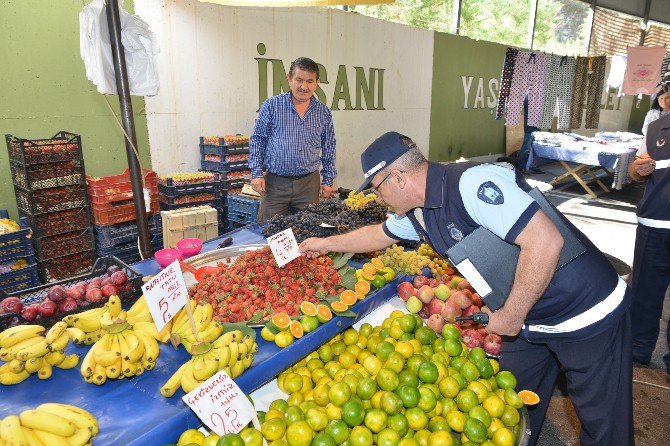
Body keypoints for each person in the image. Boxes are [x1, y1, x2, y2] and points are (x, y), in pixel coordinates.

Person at [300, 132, 633, 446]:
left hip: (584, 313)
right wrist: (324, 243)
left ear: (398, 178)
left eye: (377, 188)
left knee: (604, 428)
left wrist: (512, 314)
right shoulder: (417, 213)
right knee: (507, 410)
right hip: (529, 320)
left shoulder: (471, 184)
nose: (378, 197)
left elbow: (546, 241)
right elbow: (376, 235)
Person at [249, 57, 337, 222]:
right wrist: (256, 173)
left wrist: (328, 180)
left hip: (309, 185)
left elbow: (329, 147)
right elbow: (257, 140)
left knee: (307, 231)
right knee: (271, 233)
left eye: (310, 81)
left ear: (317, 82)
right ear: (289, 79)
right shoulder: (271, 106)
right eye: (299, 80)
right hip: (275, 184)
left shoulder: (323, 112)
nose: (304, 86)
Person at [627, 78, 670, 374]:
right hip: (654, 224)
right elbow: (636, 169)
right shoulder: (656, 129)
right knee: (644, 293)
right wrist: (637, 169)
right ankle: (638, 349)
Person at [639, 86, 670, 153]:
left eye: (667, 98)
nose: (663, 101)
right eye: (661, 98)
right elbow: (645, 129)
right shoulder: (651, 113)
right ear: (657, 99)